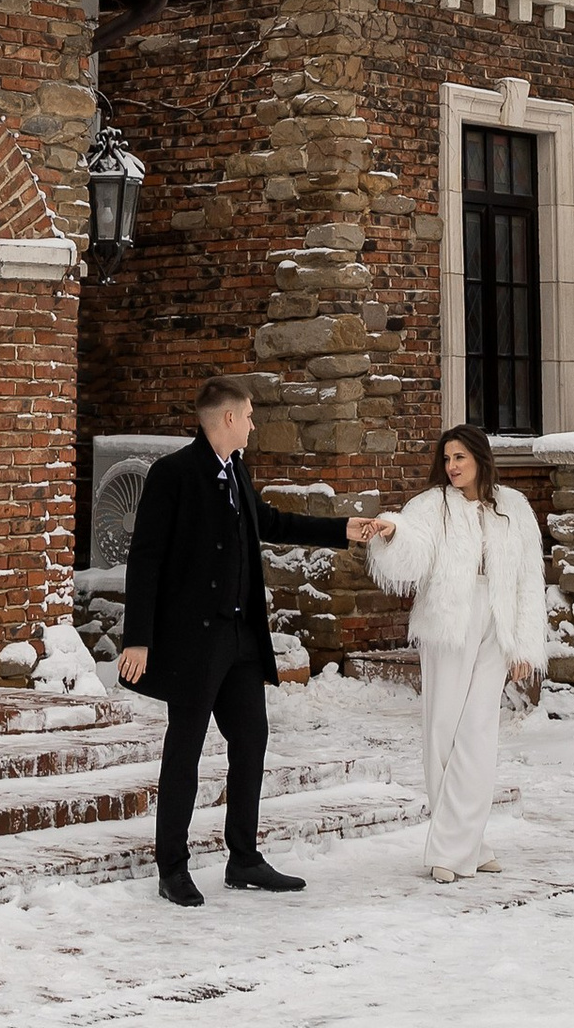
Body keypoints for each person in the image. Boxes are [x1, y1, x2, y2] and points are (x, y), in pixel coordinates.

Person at [117, 374, 384, 905]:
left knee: (251, 740)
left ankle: (243, 858)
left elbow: (268, 520)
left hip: (240, 637)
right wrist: (138, 639)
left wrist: (341, 531)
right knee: (185, 750)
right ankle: (172, 867)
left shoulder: (236, 468)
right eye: (251, 415)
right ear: (230, 419)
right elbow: (144, 558)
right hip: (193, 642)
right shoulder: (172, 475)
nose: (256, 424)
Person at [363, 423, 547, 883]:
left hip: (496, 622)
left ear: (481, 459)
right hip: (450, 623)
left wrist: (524, 643)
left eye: (460, 458)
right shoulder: (432, 505)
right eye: (446, 459)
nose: (452, 467)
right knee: (443, 730)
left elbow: (529, 579)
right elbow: (413, 551)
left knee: (479, 732)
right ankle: (468, 841)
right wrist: (392, 533)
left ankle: (453, 847)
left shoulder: (514, 507)